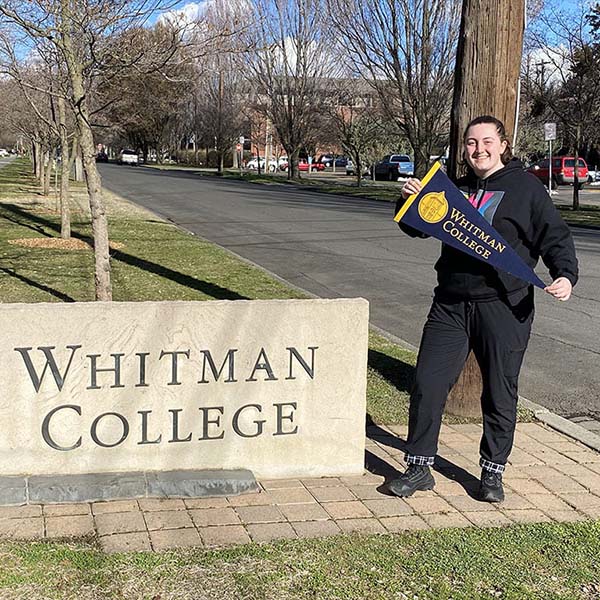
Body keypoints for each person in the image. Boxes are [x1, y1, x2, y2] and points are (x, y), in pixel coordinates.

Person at [387, 115, 578, 502]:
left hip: (505, 306)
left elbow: (554, 236)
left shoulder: (527, 189)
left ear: (503, 144)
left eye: (487, 141)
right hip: (451, 305)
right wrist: (408, 198)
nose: (479, 150)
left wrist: (565, 275)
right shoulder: (452, 189)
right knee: (427, 384)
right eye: (471, 143)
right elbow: (417, 226)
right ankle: (419, 467)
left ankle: (492, 473)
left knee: (499, 392)